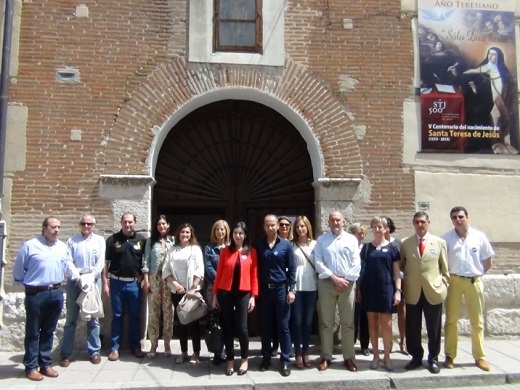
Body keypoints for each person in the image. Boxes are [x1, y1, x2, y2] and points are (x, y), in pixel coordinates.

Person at [13, 216, 68, 381]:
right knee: (33, 332)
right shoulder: (30, 245)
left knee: (49, 331)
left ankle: (45, 364)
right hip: (36, 293)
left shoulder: (62, 247)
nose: (56, 230)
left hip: (56, 292)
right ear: (43, 229)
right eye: (53, 227)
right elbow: (18, 270)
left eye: (58, 227)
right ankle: (30, 366)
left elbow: (65, 265)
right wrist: (28, 285)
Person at [442, 206, 495, 371]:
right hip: (454, 281)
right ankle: (450, 355)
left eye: (460, 217)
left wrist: (477, 275)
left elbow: (488, 261)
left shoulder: (479, 237)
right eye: (454, 217)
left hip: (474, 282)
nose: (458, 220)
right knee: (451, 320)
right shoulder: (446, 239)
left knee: (477, 321)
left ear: (467, 217)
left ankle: (479, 357)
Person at [400, 211, 449, 374]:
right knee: (412, 327)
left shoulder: (439, 242)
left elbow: (445, 269)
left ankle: (433, 359)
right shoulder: (405, 243)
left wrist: (443, 285)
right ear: (413, 223)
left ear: (428, 223)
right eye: (417, 222)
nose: (420, 225)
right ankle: (415, 357)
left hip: (433, 291)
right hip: (413, 291)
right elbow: (400, 266)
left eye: (423, 222)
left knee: (433, 327)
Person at [314, 211, 361, 372]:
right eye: (332, 220)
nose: (335, 222)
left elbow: (356, 262)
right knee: (326, 323)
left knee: (348, 323)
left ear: (344, 221)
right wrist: (334, 278)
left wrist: (344, 280)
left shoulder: (351, 239)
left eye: (338, 220)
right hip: (327, 282)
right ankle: (326, 356)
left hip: (347, 283)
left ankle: (349, 357)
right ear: (328, 222)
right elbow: (318, 261)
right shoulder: (322, 240)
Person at [448, 47, 518, 154]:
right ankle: (495, 144)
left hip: (503, 102)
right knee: (493, 118)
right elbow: (471, 73)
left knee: (502, 120)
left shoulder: (504, 72)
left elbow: (510, 89)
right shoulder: (485, 67)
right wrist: (457, 74)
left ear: (499, 57)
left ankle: (504, 143)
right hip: (489, 102)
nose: (490, 56)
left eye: (493, 54)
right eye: (489, 54)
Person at [60, 213, 106, 367]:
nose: (86, 226)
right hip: (75, 281)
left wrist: (92, 277)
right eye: (83, 223)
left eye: (89, 224)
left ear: (94, 225)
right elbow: (68, 261)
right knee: (71, 318)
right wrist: (77, 277)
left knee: (93, 318)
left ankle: (94, 351)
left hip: (93, 281)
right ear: (79, 225)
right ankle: (66, 354)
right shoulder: (72, 241)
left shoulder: (100, 241)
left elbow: (101, 261)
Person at [212, 221, 258, 376]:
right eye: (235, 233)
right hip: (225, 292)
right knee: (228, 327)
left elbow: (254, 276)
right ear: (232, 235)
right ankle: (230, 360)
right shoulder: (225, 251)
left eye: (241, 233)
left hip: (243, 293)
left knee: (242, 327)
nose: (238, 236)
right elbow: (218, 274)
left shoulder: (251, 252)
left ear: (245, 235)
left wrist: (253, 296)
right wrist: (214, 295)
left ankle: (244, 359)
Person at [358, 217, 401, 372]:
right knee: (372, 324)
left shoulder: (393, 248)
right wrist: (358, 290)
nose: (377, 229)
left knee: (387, 325)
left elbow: (396, 272)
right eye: (374, 227)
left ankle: (387, 356)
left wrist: (398, 291)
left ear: (385, 229)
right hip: (369, 289)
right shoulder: (366, 248)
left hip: (387, 289)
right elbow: (361, 271)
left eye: (380, 227)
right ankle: (375, 355)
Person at [255, 214, 296, 377]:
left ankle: (285, 360)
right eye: (268, 225)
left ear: (277, 226)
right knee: (265, 326)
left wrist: (292, 289)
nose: (271, 227)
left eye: (273, 225)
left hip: (281, 289)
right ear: (264, 227)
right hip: (264, 290)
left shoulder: (286, 245)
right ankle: (266, 357)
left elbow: (292, 269)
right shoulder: (258, 246)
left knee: (283, 326)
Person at [102, 212, 147, 361]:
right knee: (117, 316)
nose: (128, 225)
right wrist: (105, 283)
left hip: (134, 284)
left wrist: (142, 277)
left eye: (130, 222)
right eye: (125, 222)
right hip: (116, 282)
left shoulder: (142, 240)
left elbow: (145, 262)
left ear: (135, 223)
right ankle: (114, 348)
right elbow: (106, 264)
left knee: (135, 316)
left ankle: (135, 346)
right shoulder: (112, 240)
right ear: (121, 223)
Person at [163, 223, 204, 364]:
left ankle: (196, 353)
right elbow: (166, 270)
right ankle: (183, 352)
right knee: (181, 323)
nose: (185, 235)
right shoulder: (172, 250)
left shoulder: (195, 249)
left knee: (194, 323)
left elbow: (200, 270)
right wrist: (175, 284)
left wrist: (193, 287)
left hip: (192, 292)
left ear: (191, 234)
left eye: (187, 232)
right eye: (182, 232)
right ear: (178, 234)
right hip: (177, 291)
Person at [142, 215, 174, 358]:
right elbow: (146, 260)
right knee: (154, 312)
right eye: (159, 224)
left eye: (164, 223)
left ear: (168, 225)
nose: (162, 226)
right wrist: (146, 280)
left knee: (168, 311)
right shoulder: (150, 241)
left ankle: (167, 342)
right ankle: (153, 343)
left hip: (169, 278)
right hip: (154, 278)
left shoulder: (173, 241)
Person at [290, 216, 317, 369]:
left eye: (303, 226)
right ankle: (298, 352)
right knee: (297, 321)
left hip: (312, 286)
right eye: (298, 226)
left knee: (308, 322)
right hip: (297, 287)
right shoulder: (291, 245)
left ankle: (306, 351)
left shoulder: (315, 244)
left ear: (308, 227)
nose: (300, 229)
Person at [204, 219, 230, 365]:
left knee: (227, 319)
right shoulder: (209, 248)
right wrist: (220, 281)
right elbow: (208, 267)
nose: (220, 232)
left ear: (226, 231)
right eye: (217, 229)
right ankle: (216, 351)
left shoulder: (231, 247)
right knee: (214, 319)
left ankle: (226, 349)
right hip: (213, 287)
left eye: (222, 229)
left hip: (229, 289)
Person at [382, 215, 406, 354]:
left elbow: (403, 262)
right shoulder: (376, 244)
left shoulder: (397, 243)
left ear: (389, 228)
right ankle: (388, 342)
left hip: (398, 280)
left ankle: (403, 341)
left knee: (402, 312)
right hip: (384, 282)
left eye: (384, 226)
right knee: (385, 314)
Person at [349, 223, 370, 356]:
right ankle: (350, 343)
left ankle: (364, 345)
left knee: (364, 316)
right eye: (358, 233)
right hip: (351, 284)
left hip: (364, 284)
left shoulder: (367, 247)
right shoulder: (349, 247)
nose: (361, 236)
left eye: (363, 233)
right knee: (351, 316)